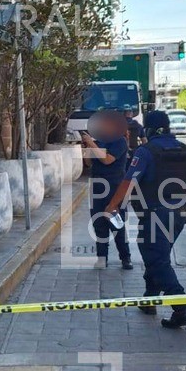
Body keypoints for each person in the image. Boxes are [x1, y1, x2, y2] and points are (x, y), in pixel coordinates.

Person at [106, 110, 186, 328]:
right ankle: (149, 298)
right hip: (181, 213)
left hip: (155, 213)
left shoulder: (145, 151)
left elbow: (128, 181)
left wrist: (112, 205)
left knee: (156, 257)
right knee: (158, 254)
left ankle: (182, 308)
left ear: (149, 130)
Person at [80, 110, 133, 270]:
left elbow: (107, 159)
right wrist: (86, 147)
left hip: (115, 186)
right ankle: (102, 258)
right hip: (97, 185)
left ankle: (126, 258)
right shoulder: (98, 141)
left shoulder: (120, 141)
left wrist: (91, 143)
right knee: (99, 222)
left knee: (116, 222)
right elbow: (89, 163)